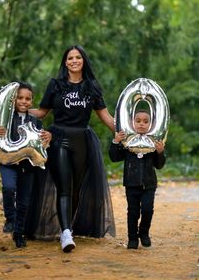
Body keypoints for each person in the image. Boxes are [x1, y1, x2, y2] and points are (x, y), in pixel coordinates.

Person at [29, 45, 116, 253]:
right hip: (58, 138)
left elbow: (105, 117)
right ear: (65, 62)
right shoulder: (56, 85)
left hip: (83, 141)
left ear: (83, 61)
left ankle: (67, 227)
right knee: (64, 187)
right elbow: (41, 112)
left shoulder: (92, 87)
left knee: (76, 189)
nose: (74, 61)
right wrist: (17, 108)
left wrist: (129, 132)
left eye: (78, 57)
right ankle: (66, 233)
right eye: (70, 58)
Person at [0, 82, 52, 248]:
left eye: (27, 99)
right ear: (13, 100)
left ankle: (19, 233)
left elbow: (42, 141)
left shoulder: (35, 121)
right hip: (8, 163)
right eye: (20, 98)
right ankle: (9, 219)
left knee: (23, 202)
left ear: (32, 102)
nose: (23, 101)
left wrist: (48, 136)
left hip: (27, 167)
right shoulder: (4, 117)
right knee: (8, 188)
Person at [109, 109, 165, 249]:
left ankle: (144, 233)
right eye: (138, 121)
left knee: (147, 210)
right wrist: (116, 142)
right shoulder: (127, 142)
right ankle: (132, 238)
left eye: (145, 122)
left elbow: (159, 165)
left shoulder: (154, 142)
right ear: (132, 123)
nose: (141, 124)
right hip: (131, 184)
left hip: (149, 185)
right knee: (133, 212)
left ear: (151, 124)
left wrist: (160, 152)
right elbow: (114, 158)